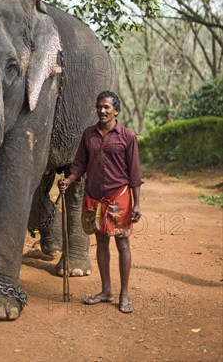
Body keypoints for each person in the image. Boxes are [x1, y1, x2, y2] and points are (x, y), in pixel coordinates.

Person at [58, 90, 142, 313]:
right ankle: (106, 291)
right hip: (94, 198)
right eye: (99, 106)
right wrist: (69, 180)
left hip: (119, 197)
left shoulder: (128, 137)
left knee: (122, 243)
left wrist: (138, 204)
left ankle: (124, 294)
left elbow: (135, 174)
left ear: (116, 110)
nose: (102, 111)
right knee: (102, 242)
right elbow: (79, 164)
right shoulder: (89, 135)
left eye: (106, 107)